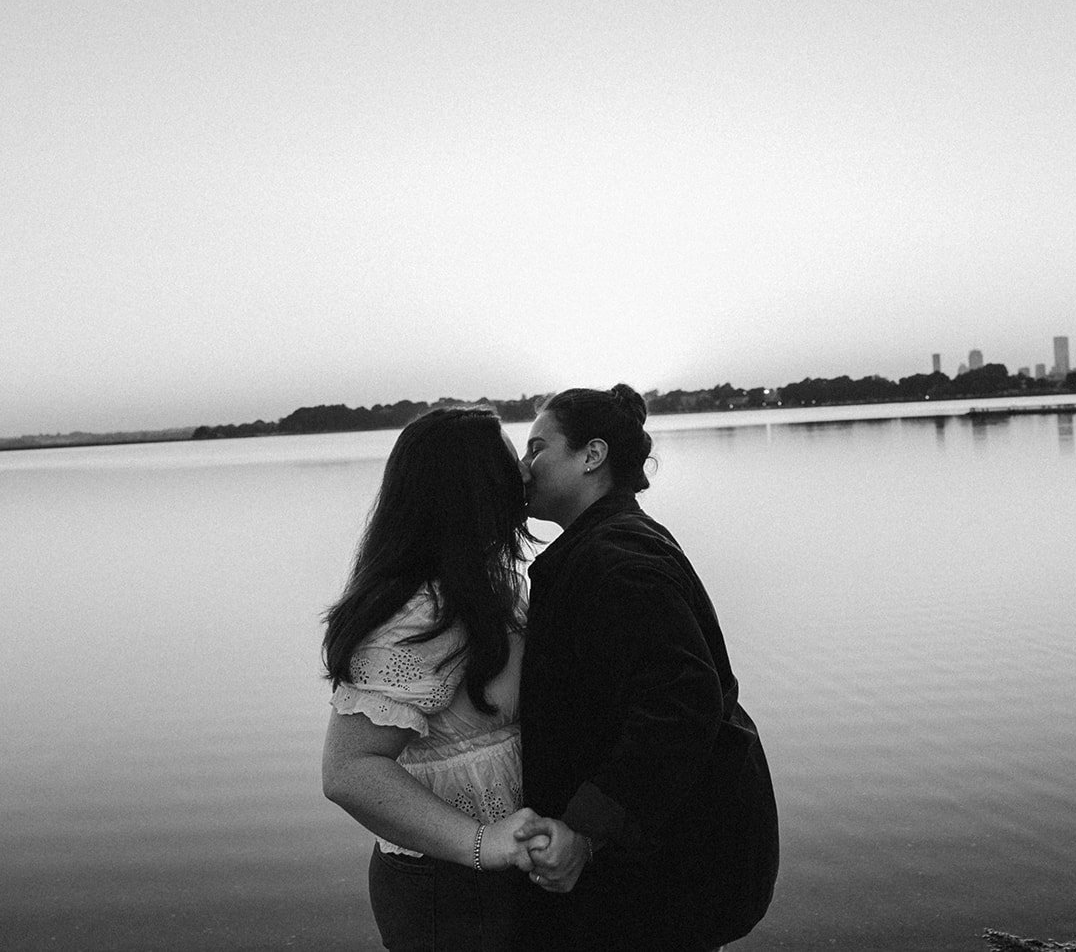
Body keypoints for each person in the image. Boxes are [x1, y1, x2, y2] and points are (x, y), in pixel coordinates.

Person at [511, 384, 780, 950]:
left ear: (592, 456)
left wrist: (583, 833)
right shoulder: (610, 541)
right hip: (677, 853)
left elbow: (681, 704)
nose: (523, 465)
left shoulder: (616, 560)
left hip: (677, 864)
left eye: (537, 448)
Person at [321, 407, 549, 951]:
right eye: (506, 461)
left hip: (490, 877)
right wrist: (483, 844)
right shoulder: (420, 612)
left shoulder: (487, 584)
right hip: (444, 888)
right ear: (470, 488)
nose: (521, 472)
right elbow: (349, 771)